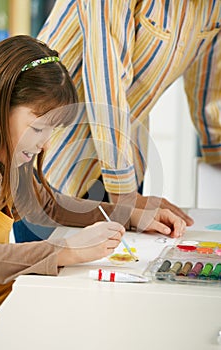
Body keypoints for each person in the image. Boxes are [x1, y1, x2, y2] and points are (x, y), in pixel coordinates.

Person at [0, 35, 186, 349]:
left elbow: (49, 205)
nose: (45, 144)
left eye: (53, 130)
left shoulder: (3, 162)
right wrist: (68, 250)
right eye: (38, 127)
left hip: (4, 314)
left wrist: (130, 214)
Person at [36, 0, 221, 224]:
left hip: (123, 158)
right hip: (51, 155)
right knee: (53, 258)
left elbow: (210, 84)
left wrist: (216, 151)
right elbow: (106, 79)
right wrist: (125, 196)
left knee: (131, 256)